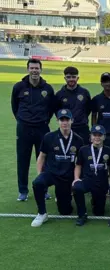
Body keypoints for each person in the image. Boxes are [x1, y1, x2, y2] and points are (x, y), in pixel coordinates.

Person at [31, 109, 84, 227]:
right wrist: (40, 173)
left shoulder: (78, 140)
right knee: (37, 183)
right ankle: (42, 213)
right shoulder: (49, 137)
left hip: (67, 177)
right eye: (62, 120)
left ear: (72, 121)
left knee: (65, 211)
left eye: (67, 119)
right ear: (57, 121)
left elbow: (79, 163)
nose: (64, 122)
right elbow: (41, 157)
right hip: (51, 173)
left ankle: (66, 198)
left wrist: (75, 179)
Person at [11, 59, 55, 201]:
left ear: (41, 70)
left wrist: (43, 120)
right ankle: (22, 190)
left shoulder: (47, 89)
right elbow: (14, 106)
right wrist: (22, 119)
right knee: (22, 160)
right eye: (32, 68)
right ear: (28, 69)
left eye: (37, 68)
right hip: (24, 128)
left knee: (43, 159)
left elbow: (51, 109)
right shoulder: (19, 87)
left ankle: (43, 188)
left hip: (42, 128)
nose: (34, 70)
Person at [72, 125, 110, 226]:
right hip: (87, 180)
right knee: (77, 187)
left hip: (101, 183)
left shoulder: (109, 151)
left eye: (100, 135)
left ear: (104, 137)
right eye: (95, 135)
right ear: (90, 137)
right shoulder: (83, 150)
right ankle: (82, 214)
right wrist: (76, 179)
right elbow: (78, 165)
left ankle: (95, 200)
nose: (97, 137)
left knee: (99, 212)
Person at [55, 66, 92, 144]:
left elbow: (88, 109)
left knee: (83, 153)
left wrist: (80, 118)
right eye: (68, 77)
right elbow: (57, 112)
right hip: (66, 129)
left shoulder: (84, 93)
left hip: (82, 129)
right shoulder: (59, 94)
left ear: (77, 78)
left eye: (73, 77)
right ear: (65, 78)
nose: (71, 79)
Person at [91, 72, 110, 150]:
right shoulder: (96, 99)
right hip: (101, 135)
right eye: (105, 82)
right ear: (101, 84)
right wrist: (94, 132)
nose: (107, 84)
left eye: (109, 81)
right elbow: (94, 116)